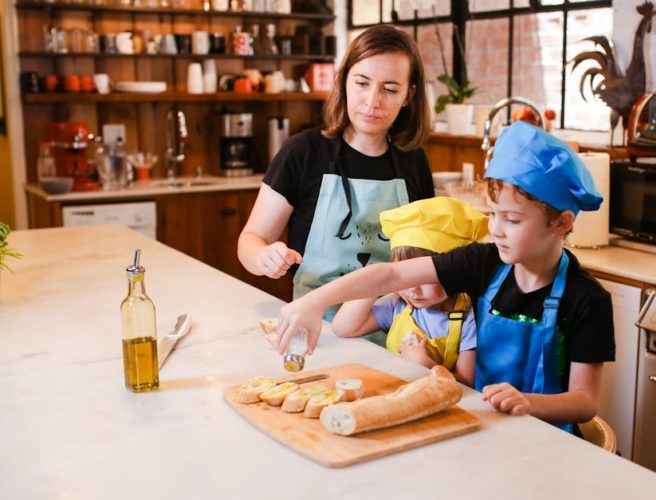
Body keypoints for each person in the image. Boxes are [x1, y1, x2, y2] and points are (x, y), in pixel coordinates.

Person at [276, 121, 615, 433]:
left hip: (548, 440)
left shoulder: (587, 299)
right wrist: (313, 302)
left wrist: (529, 403)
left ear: (562, 223)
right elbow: (391, 274)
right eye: (492, 214)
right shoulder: (485, 263)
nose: (496, 230)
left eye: (512, 219)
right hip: (480, 425)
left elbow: (585, 402)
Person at [237, 25, 434, 317]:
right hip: (316, 325)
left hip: (394, 329)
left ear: (408, 95)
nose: (372, 101)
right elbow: (250, 240)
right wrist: (263, 256)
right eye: (362, 83)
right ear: (343, 82)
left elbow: (424, 257)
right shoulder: (302, 152)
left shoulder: (414, 161)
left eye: (390, 89)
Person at [331, 197, 488, 387]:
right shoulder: (398, 305)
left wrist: (425, 364)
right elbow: (343, 328)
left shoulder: (468, 317)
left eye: (423, 278)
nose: (413, 288)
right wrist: (380, 283)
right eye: (405, 277)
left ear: (453, 273)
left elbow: (466, 384)